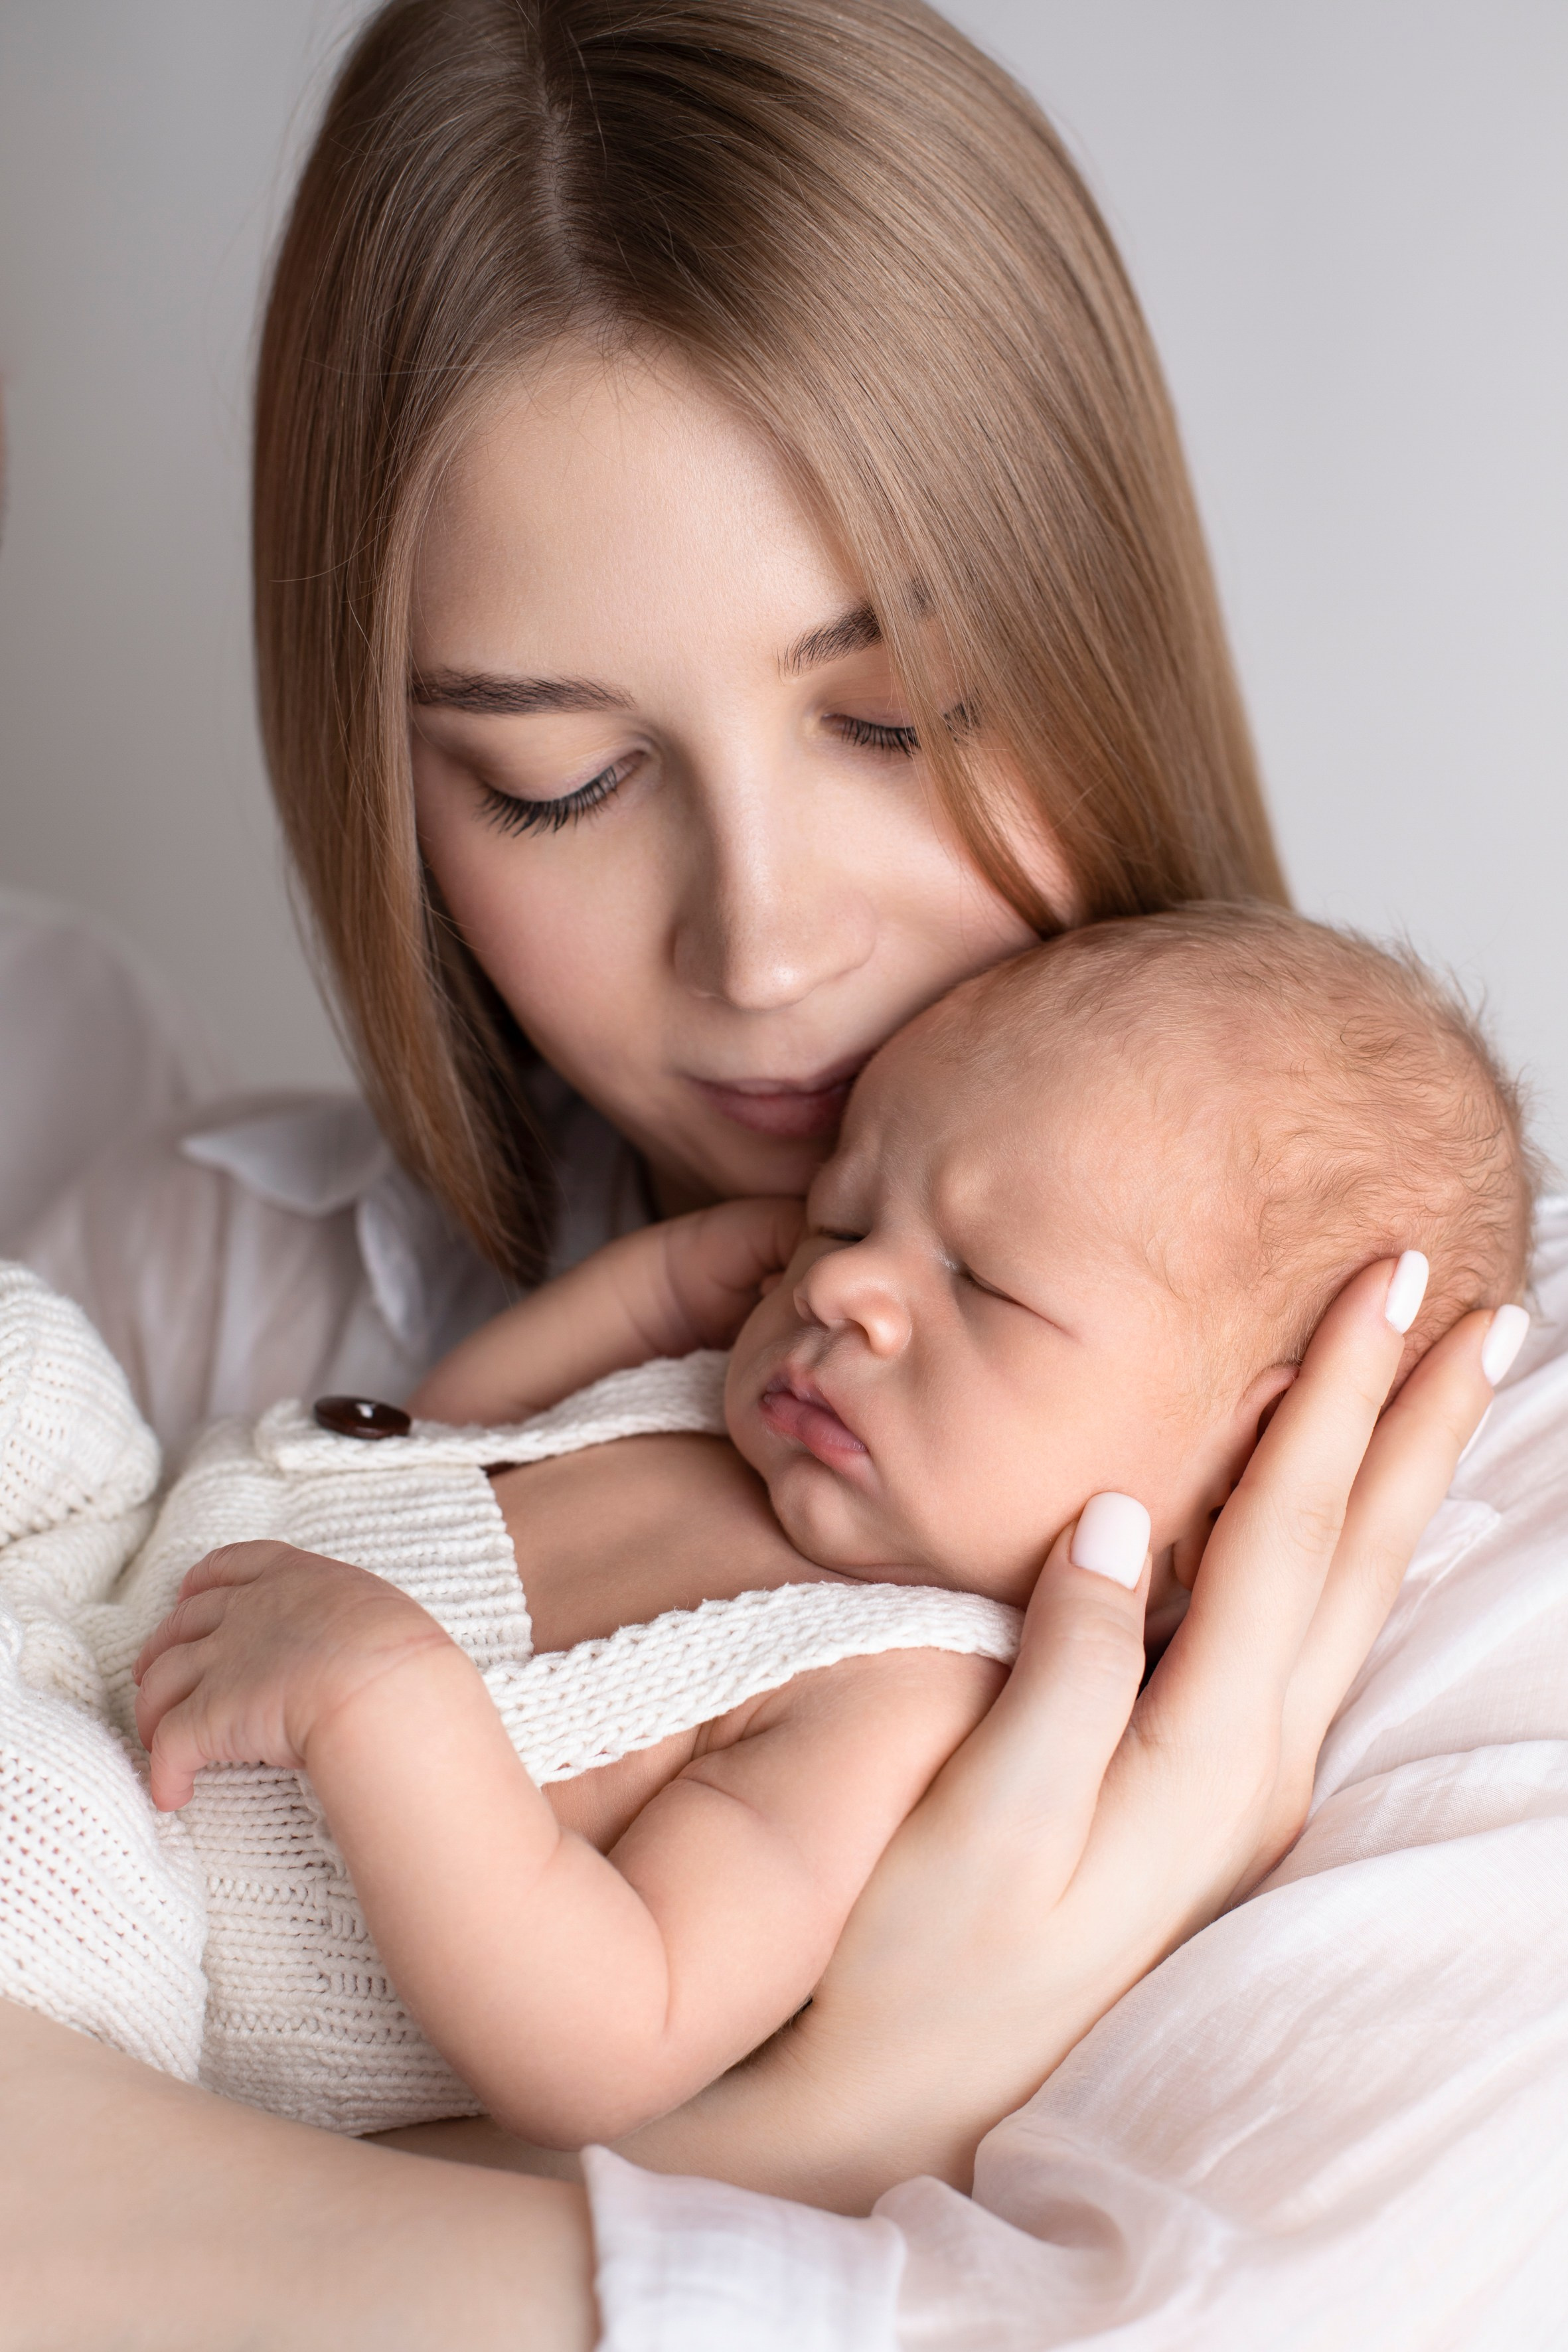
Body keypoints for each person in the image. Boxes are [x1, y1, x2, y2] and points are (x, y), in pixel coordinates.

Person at [3, 3, 1560, 2342]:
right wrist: (820, 2138)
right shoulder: (195, 1262)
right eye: (551, 782)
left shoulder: (1448, 1475)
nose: (766, 942)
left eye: (892, 721)